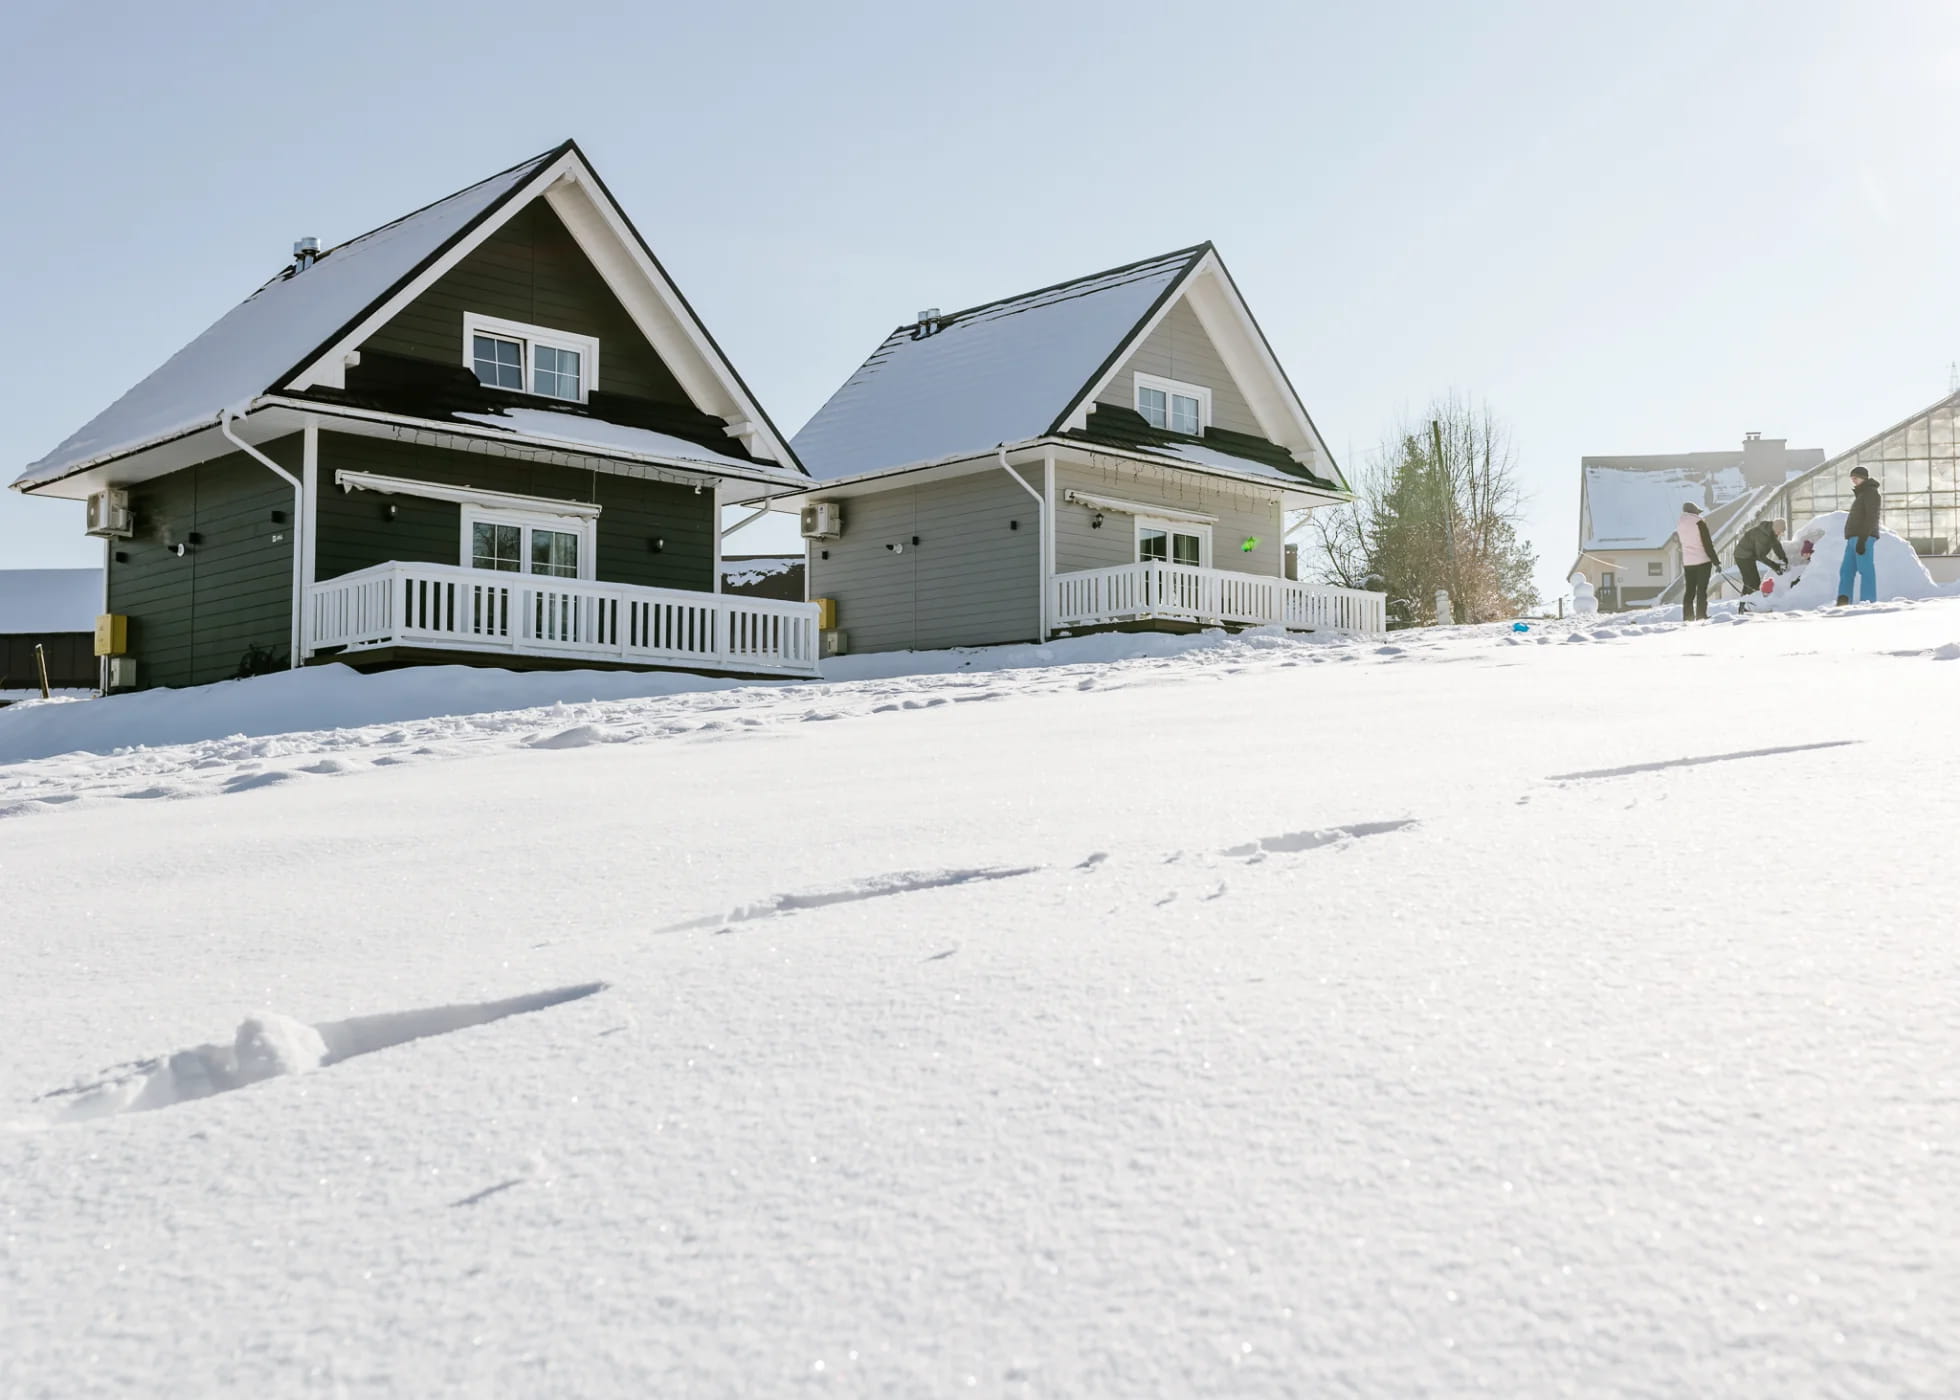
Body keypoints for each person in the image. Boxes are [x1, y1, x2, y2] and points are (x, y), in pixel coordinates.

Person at [1837, 466, 1882, 605]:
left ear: (1863, 477)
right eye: (1852, 478)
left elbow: (1872, 517)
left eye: (1855, 477)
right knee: (1846, 570)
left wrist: (1863, 539)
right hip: (1852, 538)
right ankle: (1843, 600)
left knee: (1865, 569)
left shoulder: (1871, 493)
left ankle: (1868, 601)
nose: (1853, 481)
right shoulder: (1862, 494)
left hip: (1864, 537)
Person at [1676, 501, 1717, 620]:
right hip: (1703, 561)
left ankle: (1688, 617)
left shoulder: (1680, 524)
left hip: (1688, 562)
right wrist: (1716, 561)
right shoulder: (1699, 522)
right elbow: (1707, 544)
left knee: (1689, 590)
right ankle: (1701, 615)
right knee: (1701, 590)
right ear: (1694, 511)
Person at [1733, 517, 1789, 597]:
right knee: (1751, 581)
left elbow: (1777, 546)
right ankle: (1747, 604)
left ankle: (1746, 603)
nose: (1779, 534)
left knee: (1753, 581)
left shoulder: (1771, 532)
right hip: (1742, 556)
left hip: (1750, 556)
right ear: (1776, 528)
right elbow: (1760, 556)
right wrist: (1775, 566)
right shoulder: (1763, 535)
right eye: (1779, 532)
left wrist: (1784, 559)